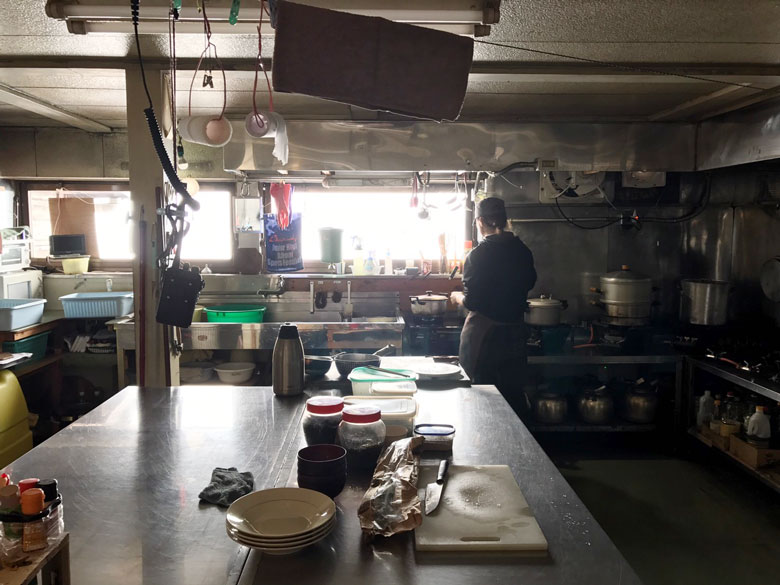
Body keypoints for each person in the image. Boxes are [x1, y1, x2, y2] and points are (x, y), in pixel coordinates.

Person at [450, 197, 537, 414]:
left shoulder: (478, 256)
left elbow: (473, 302)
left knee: (481, 395)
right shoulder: (522, 251)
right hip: (515, 333)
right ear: (504, 220)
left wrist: (457, 297)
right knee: (513, 394)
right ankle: (518, 436)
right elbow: (530, 283)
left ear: (480, 221)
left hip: (486, 338)